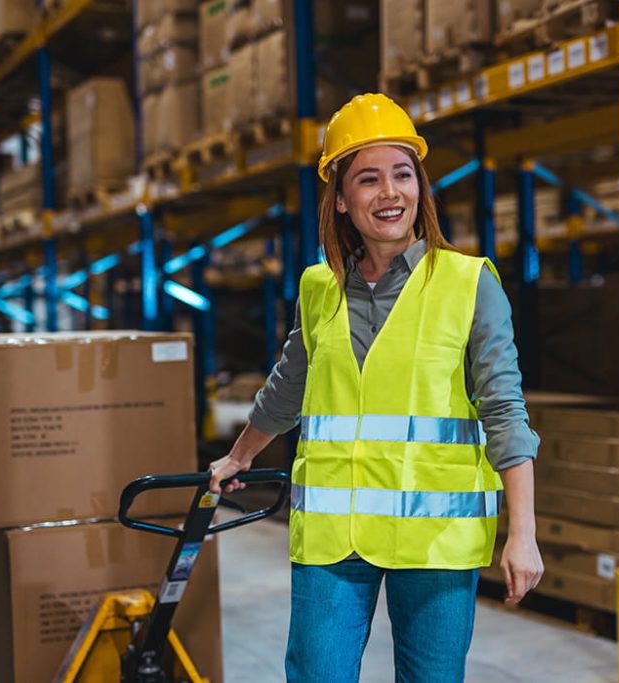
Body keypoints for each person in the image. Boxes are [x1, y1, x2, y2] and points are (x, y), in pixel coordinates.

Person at [208, 93, 543, 683]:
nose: (390, 193)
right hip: (334, 543)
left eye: (402, 175)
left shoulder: (469, 285)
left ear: (421, 187)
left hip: (436, 539)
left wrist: (524, 534)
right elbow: (288, 387)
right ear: (340, 198)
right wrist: (239, 457)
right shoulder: (319, 289)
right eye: (368, 179)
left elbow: (504, 410)